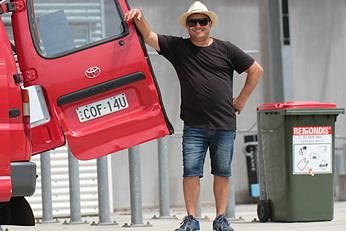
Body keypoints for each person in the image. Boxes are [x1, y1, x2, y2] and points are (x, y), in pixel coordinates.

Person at [125, 1, 263, 231]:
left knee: (222, 172)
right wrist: (139, 17)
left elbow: (256, 69)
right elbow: (149, 36)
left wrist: (241, 100)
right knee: (191, 172)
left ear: (210, 24)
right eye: (193, 22)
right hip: (194, 125)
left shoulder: (226, 49)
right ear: (187, 26)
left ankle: (220, 219)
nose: (198, 25)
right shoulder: (178, 47)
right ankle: (192, 219)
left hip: (224, 124)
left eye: (202, 21)